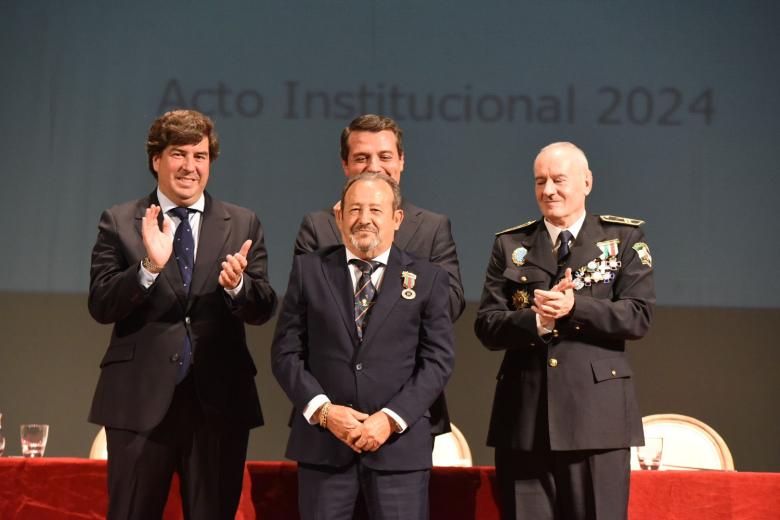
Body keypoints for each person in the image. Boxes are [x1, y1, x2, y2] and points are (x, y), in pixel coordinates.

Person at [87, 109, 278, 519]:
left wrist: (237, 287)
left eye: (201, 155)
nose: (190, 166)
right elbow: (101, 304)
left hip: (218, 404)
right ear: (156, 159)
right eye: (178, 153)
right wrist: (147, 269)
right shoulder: (120, 221)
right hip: (138, 403)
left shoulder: (242, 223)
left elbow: (263, 307)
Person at [474, 142, 655, 520]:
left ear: (587, 182)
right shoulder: (510, 245)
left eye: (559, 180)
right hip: (524, 420)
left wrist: (577, 308)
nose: (549, 190)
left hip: (597, 422)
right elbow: (488, 325)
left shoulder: (622, 239)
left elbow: (638, 316)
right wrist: (537, 322)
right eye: (540, 181)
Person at [273, 172, 455, 520]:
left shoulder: (429, 278)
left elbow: (438, 361)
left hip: (398, 453)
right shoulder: (309, 270)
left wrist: (389, 419)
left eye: (375, 209)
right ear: (339, 216)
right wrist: (325, 413)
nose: (364, 218)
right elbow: (285, 354)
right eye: (354, 209)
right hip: (324, 449)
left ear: (396, 218)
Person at [293, 114, 464, 322]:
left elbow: (452, 305)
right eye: (362, 158)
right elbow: (301, 309)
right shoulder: (318, 226)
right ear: (345, 164)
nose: (374, 167)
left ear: (401, 161)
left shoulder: (432, 228)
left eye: (385, 157)